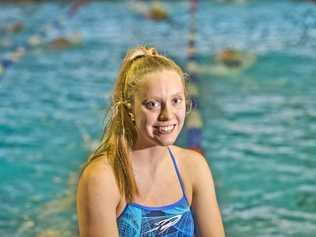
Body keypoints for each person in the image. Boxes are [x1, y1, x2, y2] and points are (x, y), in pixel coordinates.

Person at [76, 46, 225, 237]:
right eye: (152, 104)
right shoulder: (103, 179)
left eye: (176, 101)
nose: (167, 115)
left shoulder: (194, 167)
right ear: (130, 108)